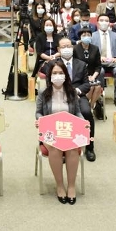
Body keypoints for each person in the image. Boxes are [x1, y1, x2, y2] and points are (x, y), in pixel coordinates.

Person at [36, 60, 85, 204]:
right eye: (54, 73)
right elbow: (38, 112)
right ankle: (59, 185)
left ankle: (71, 186)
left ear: (65, 75)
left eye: (60, 73)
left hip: (68, 131)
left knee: (72, 148)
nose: (58, 76)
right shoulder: (43, 93)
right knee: (55, 148)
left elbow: (77, 112)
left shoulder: (72, 92)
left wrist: (83, 122)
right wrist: (40, 120)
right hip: (50, 132)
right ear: (50, 76)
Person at [56, 37, 96, 162]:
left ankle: (90, 147)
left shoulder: (81, 64)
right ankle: (62, 147)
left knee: (87, 112)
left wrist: (76, 91)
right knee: (60, 113)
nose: (66, 49)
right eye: (63, 47)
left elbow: (86, 84)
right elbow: (49, 84)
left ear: (72, 48)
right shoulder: (54, 65)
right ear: (58, 49)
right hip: (59, 95)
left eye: (69, 46)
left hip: (78, 95)